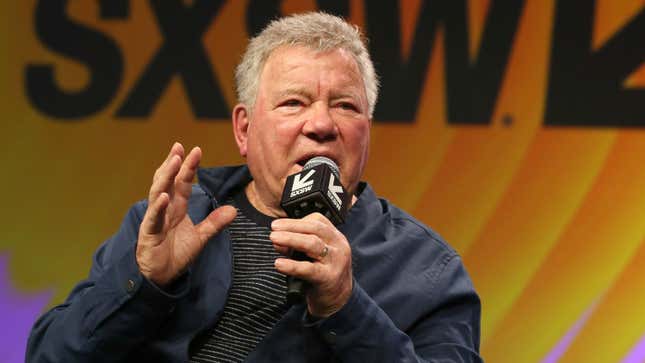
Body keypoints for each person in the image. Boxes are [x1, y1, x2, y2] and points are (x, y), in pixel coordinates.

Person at [27, 12, 482, 362]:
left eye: (345, 105)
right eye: (293, 103)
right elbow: (48, 354)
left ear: (367, 129)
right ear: (244, 130)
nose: (321, 124)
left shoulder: (428, 271)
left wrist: (346, 308)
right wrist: (145, 284)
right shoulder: (175, 218)